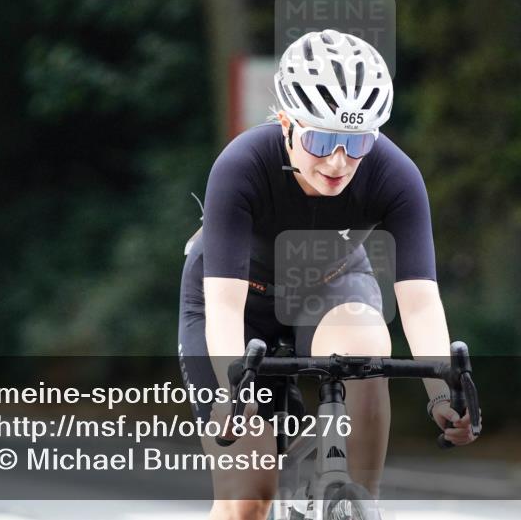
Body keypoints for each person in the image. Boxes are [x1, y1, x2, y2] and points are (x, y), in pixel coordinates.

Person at [178, 29, 477, 520]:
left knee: (366, 344)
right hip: (238, 302)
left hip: (329, 286)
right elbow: (226, 308)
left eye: (357, 142)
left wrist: (442, 392)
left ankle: (358, 502)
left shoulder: (395, 174)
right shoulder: (241, 164)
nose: (339, 162)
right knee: (247, 499)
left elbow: (420, 302)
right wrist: (233, 393)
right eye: (320, 139)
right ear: (285, 122)